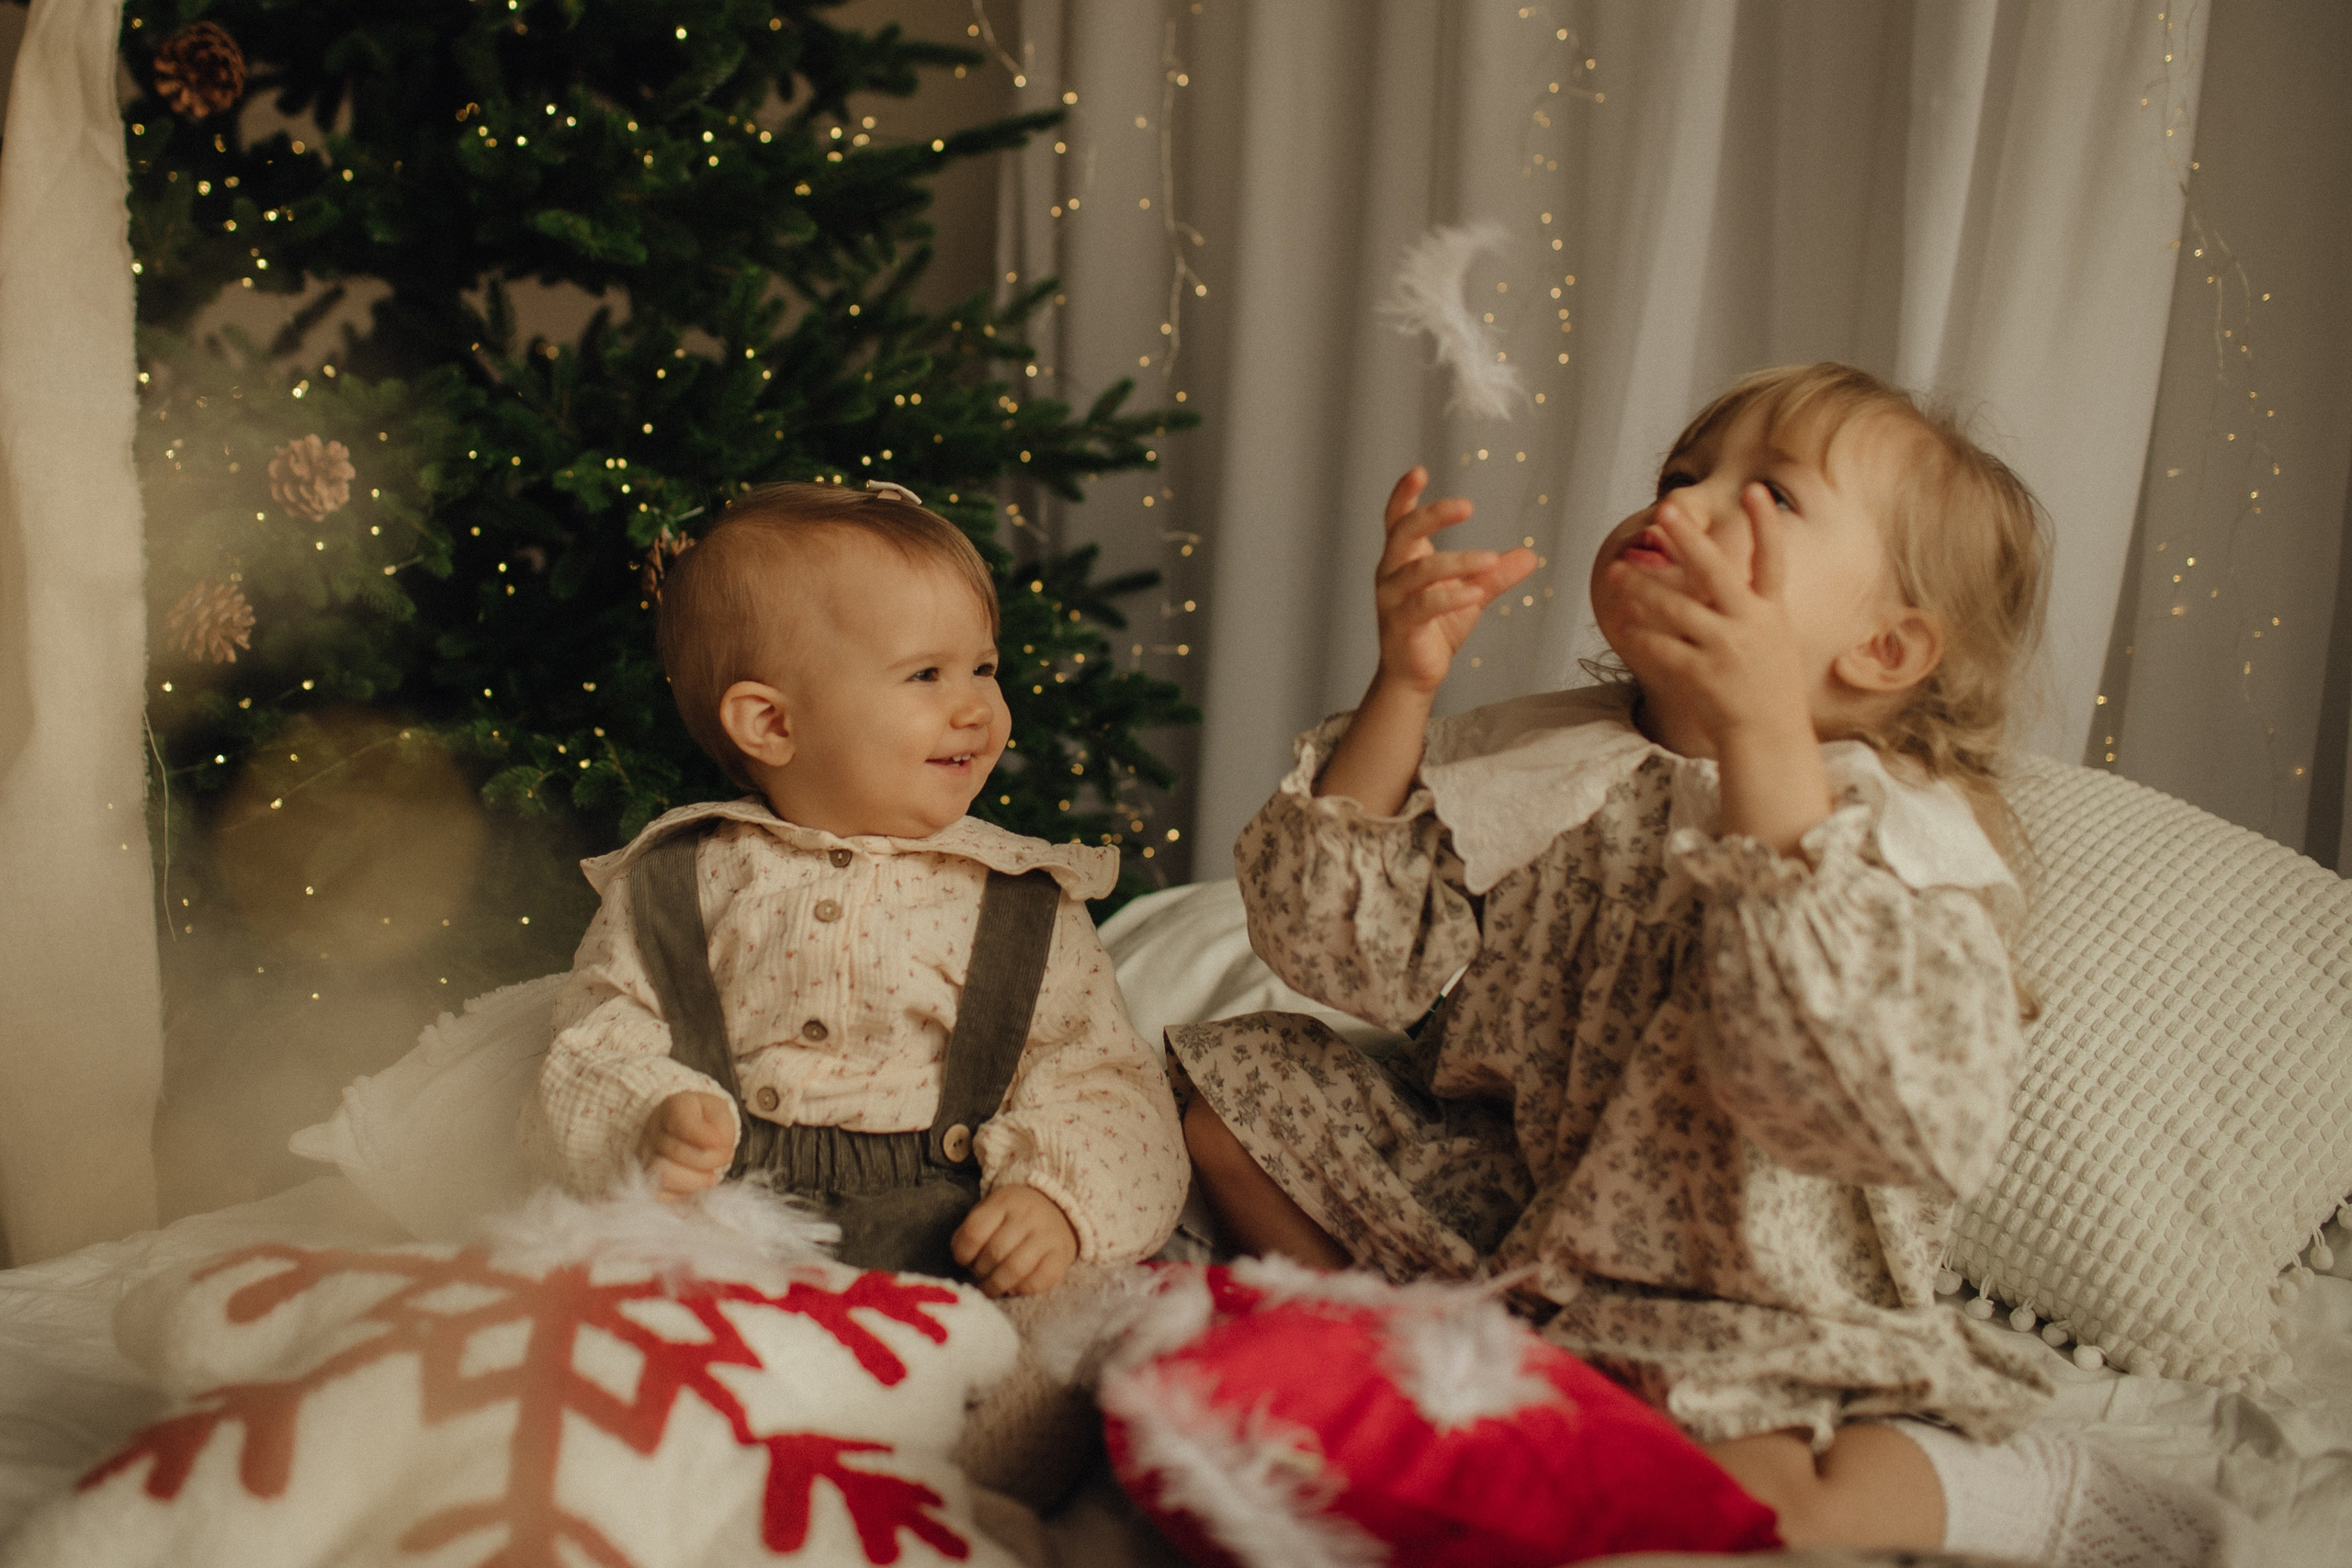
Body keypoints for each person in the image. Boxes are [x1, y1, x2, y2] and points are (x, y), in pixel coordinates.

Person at [1175, 365, 2233, 1562]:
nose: (1680, 503)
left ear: (1884, 645)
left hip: (1735, 1270)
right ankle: (1446, 1358)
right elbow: (1339, 954)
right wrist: (1404, 686)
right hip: (1515, 1200)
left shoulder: (1886, 833)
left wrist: (1763, 731)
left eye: (1770, 495)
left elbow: (1873, 1102)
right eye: (1681, 474)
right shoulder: (1548, 754)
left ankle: (2017, 1491)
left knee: (1749, 1508)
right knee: (1228, 1106)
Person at [536, 480, 1186, 1297]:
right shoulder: (682, 878)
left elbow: (1108, 1084)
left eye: (984, 667)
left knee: (1036, 1357)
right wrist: (648, 1119)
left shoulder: (1021, 900)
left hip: (951, 1260)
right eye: (926, 674)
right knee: (627, 1327)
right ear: (772, 724)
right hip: (723, 1236)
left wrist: (1056, 1200)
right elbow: (592, 1040)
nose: (976, 707)